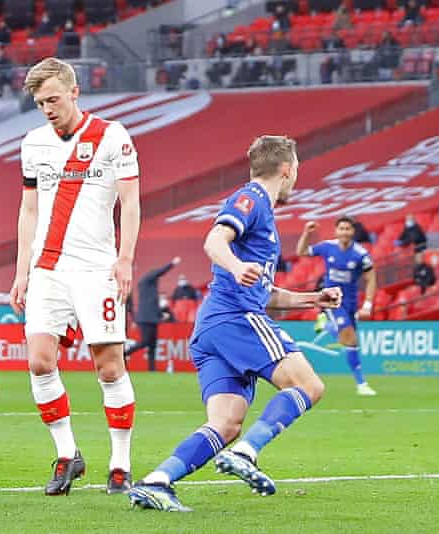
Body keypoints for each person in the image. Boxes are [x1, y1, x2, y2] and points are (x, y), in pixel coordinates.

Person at [129, 135, 342, 512]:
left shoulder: (263, 214)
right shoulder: (252, 198)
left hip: (213, 327)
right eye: (296, 170)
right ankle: (246, 453)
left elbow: (266, 295)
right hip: (235, 318)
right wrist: (236, 265)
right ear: (287, 169)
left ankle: (156, 481)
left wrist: (313, 298)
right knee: (308, 385)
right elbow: (214, 241)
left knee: (225, 424)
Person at [10, 57, 141, 496]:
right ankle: (68, 455)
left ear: (74, 91)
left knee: (109, 367)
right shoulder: (33, 143)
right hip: (47, 268)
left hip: (95, 268)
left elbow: (131, 202)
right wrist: (22, 272)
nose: (47, 109)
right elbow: (29, 210)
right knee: (39, 361)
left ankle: (120, 464)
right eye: (40, 103)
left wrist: (125, 258)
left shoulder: (112, 136)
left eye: (53, 99)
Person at [298, 217, 378, 396]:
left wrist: (368, 304)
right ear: (336, 231)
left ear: (353, 232)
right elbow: (301, 252)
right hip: (332, 300)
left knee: (351, 342)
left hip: (351, 303)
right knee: (349, 338)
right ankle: (362, 384)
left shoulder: (360, 254)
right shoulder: (328, 247)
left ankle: (327, 325)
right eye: (341, 228)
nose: (344, 232)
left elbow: (371, 278)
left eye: (347, 229)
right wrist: (306, 234)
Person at [125, 257, 180, 371]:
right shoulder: (146, 281)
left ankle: (152, 369)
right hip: (145, 319)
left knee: (152, 345)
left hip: (152, 319)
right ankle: (125, 353)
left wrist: (161, 315)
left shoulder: (150, 289)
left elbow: (153, 304)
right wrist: (172, 264)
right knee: (145, 342)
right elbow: (159, 272)